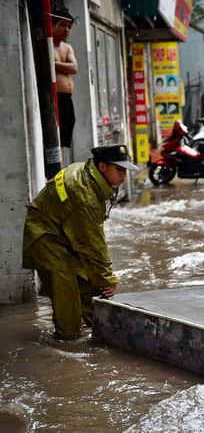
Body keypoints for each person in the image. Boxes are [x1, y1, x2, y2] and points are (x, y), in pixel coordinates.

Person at [23, 145, 139, 340]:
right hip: (46, 238)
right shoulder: (85, 195)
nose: (123, 175)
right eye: (119, 169)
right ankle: (67, 348)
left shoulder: (89, 174)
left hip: (65, 235)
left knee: (90, 291)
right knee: (68, 309)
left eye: (125, 170)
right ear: (102, 167)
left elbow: (89, 240)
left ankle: (103, 333)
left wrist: (100, 280)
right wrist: (107, 279)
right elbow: (93, 244)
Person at [52, 7, 78, 165]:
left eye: (69, 26)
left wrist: (55, 64)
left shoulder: (67, 47)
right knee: (57, 130)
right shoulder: (48, 44)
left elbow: (74, 68)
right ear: (53, 24)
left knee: (68, 125)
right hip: (54, 97)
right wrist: (61, 65)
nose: (66, 29)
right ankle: (54, 165)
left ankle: (61, 163)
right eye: (62, 25)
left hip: (67, 97)